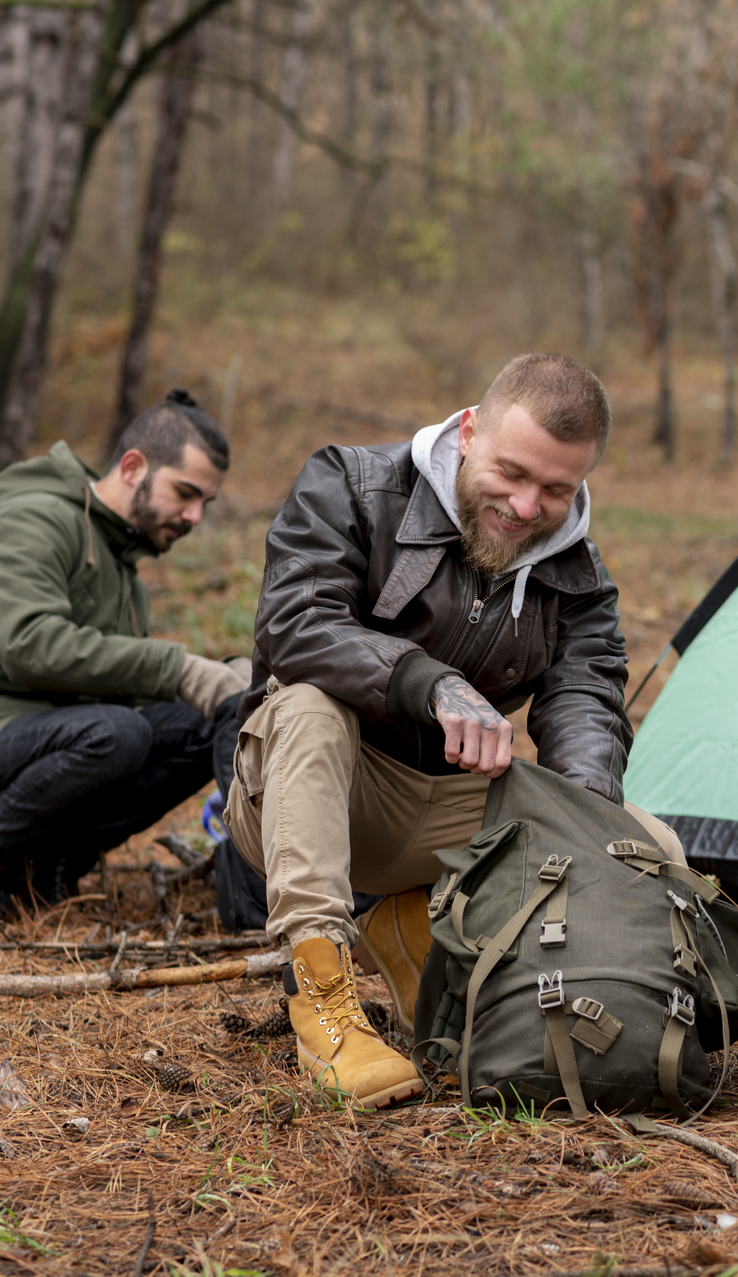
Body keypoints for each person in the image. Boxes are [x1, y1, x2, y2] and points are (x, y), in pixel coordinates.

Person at [229, 351, 686, 1110]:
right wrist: (428, 681)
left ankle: (420, 933)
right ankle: (323, 1003)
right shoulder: (352, 485)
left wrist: (583, 832)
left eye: (555, 488)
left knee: (643, 841)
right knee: (309, 703)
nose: (525, 504)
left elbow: (586, 704)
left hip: (451, 813)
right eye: (511, 472)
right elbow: (295, 623)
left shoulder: (577, 571)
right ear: (469, 430)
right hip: (316, 794)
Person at [0, 391, 249, 912]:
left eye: (204, 504)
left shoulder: (122, 569)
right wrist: (180, 668)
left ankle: (43, 869)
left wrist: (227, 678)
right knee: (118, 735)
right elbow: (29, 646)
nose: (194, 516)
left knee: (203, 717)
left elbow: (118, 696)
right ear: (132, 467)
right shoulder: (33, 520)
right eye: (185, 493)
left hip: (34, 738)